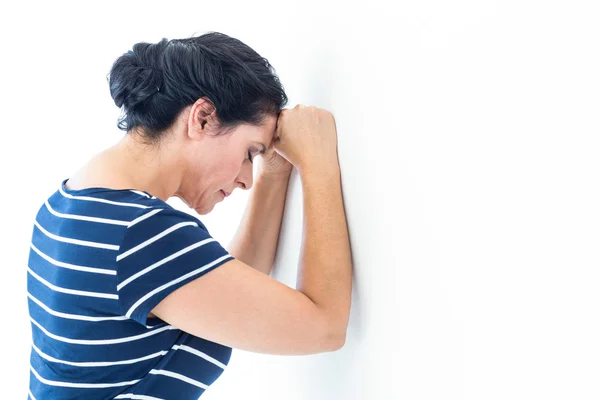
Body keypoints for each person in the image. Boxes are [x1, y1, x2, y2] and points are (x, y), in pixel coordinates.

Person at [26, 32, 352, 400]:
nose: (246, 179)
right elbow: (324, 327)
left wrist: (275, 169)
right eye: (249, 152)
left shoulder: (69, 205)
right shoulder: (141, 233)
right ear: (202, 118)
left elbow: (226, 290)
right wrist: (319, 164)